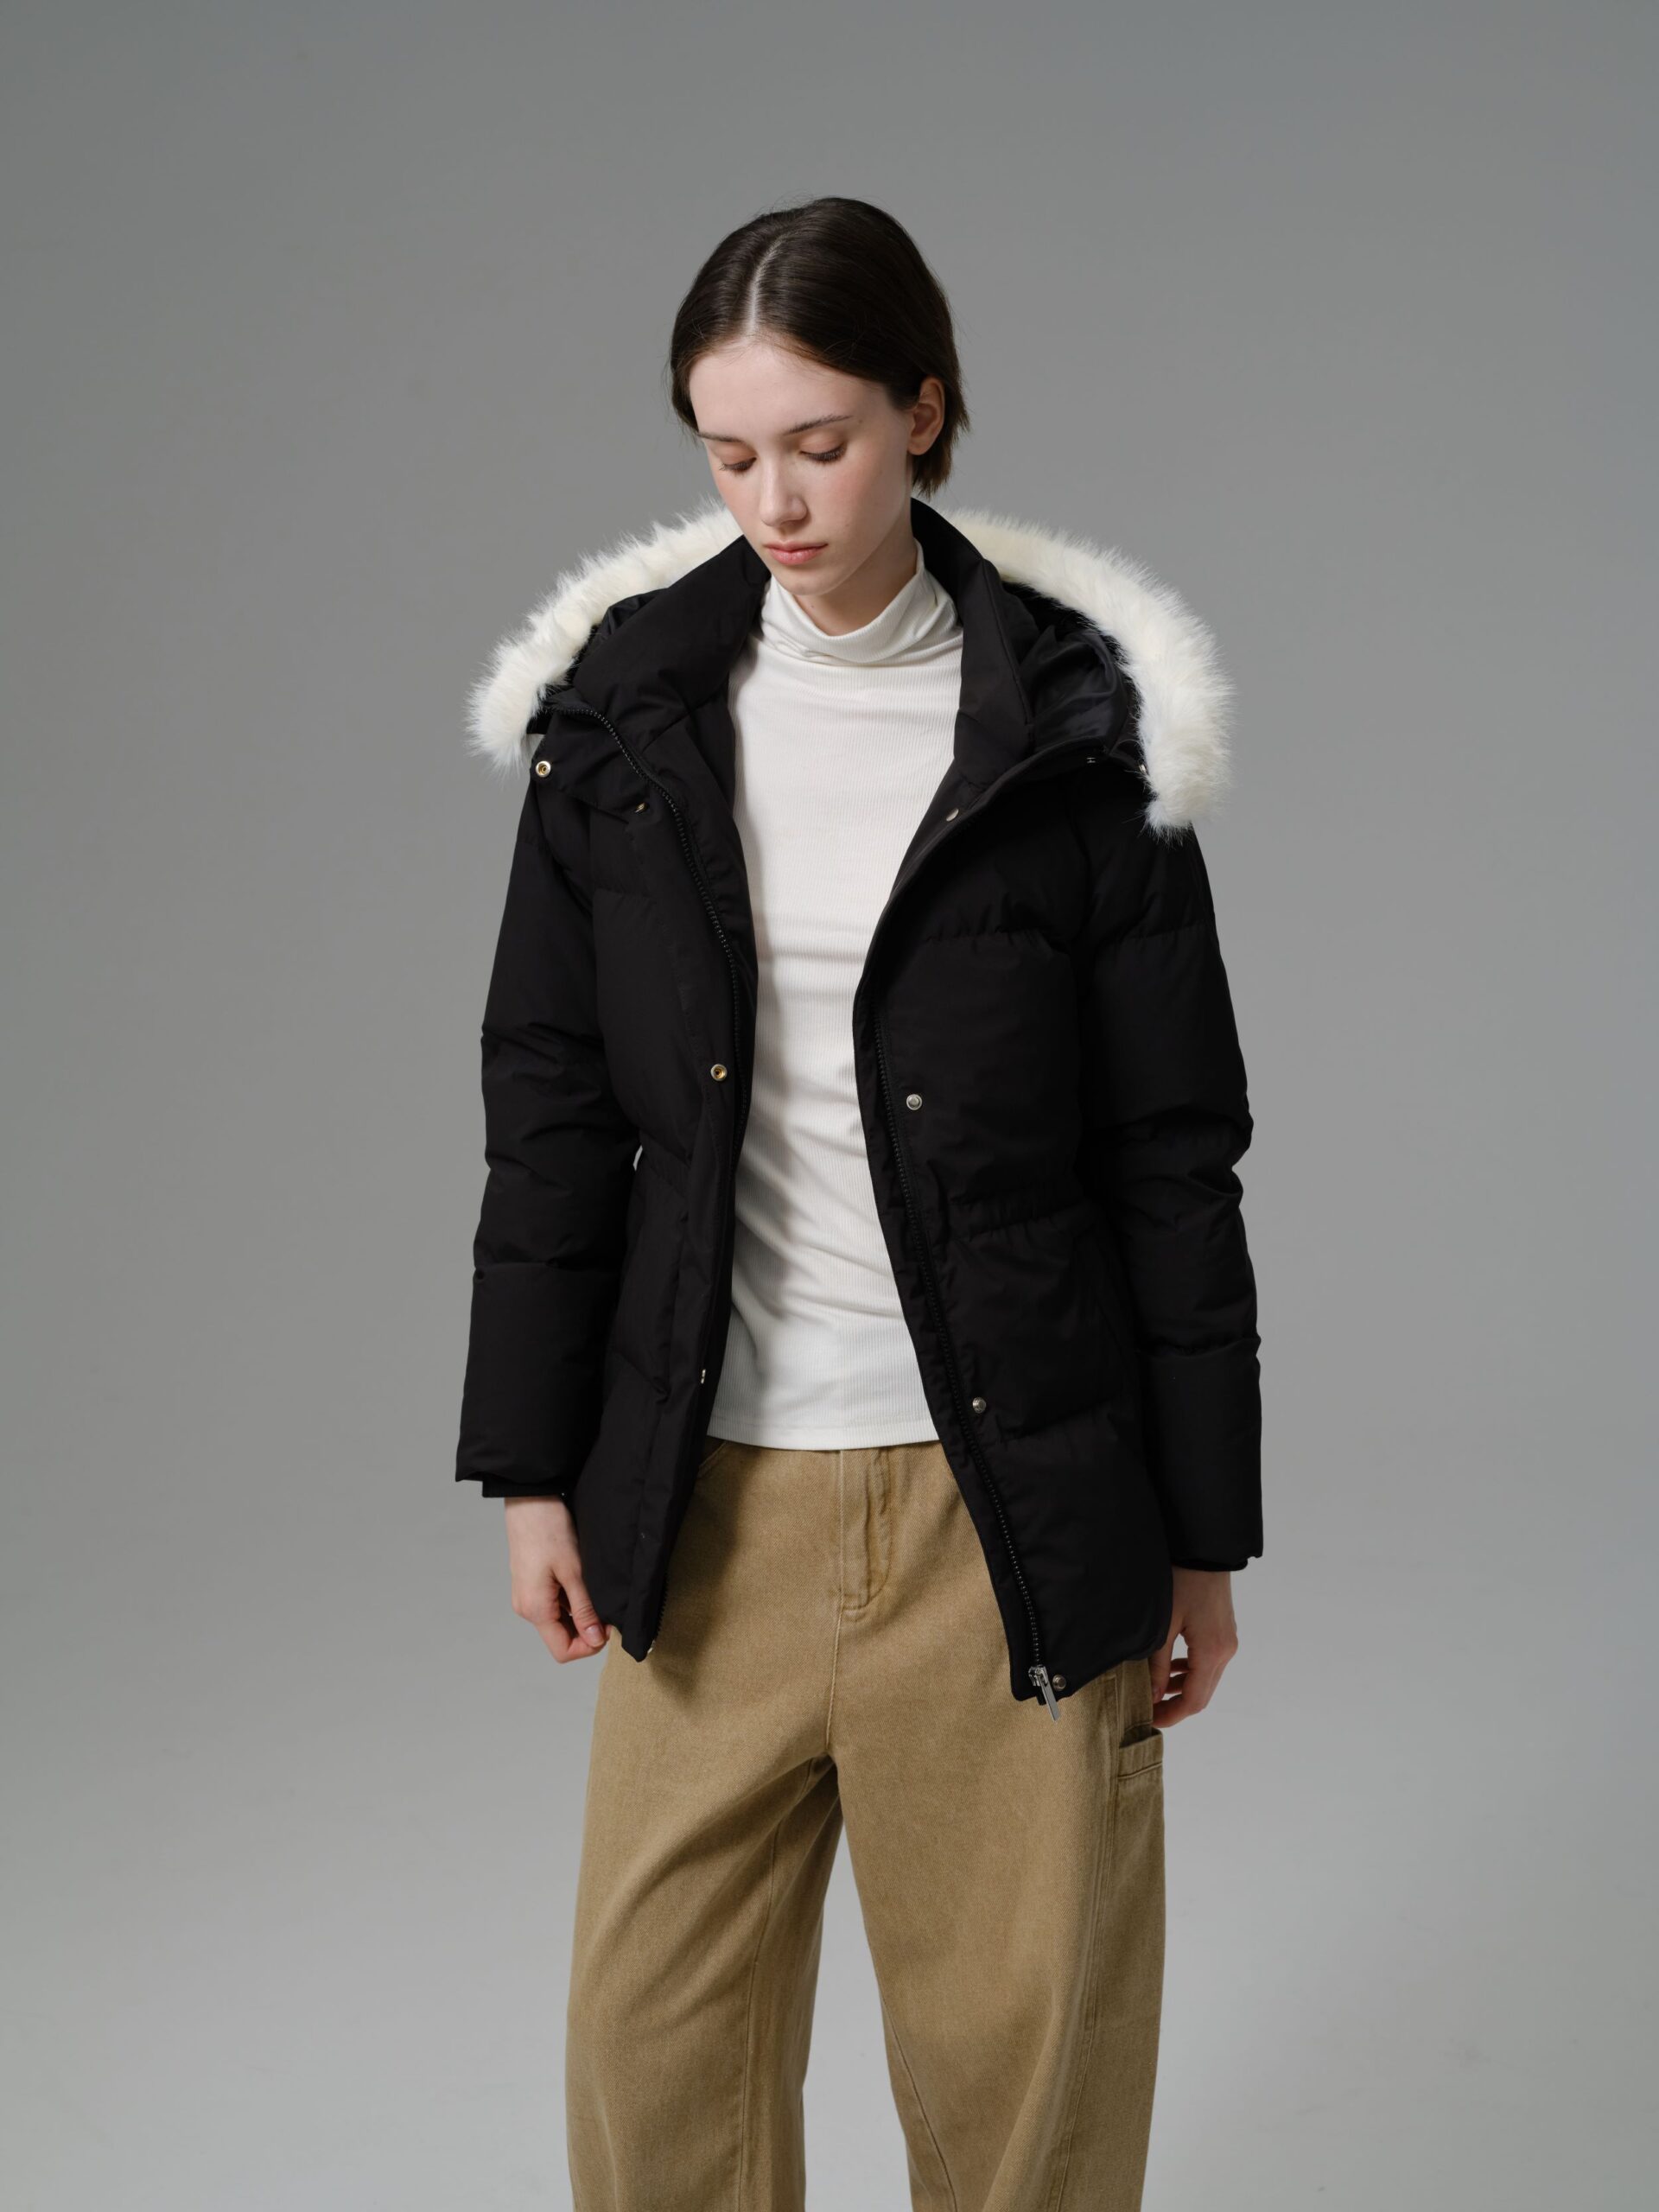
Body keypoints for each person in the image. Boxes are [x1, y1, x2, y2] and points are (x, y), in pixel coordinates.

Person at [454, 196, 1262, 2212]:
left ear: (925, 409)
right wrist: (532, 1468)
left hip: (1009, 1510)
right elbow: (551, 1112)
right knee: (653, 2080)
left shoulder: (1076, 736)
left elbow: (1171, 1155)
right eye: (730, 453)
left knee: (1023, 2110)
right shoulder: (621, 720)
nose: (776, 501)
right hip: (706, 1493)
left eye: (818, 443)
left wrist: (1202, 1534)